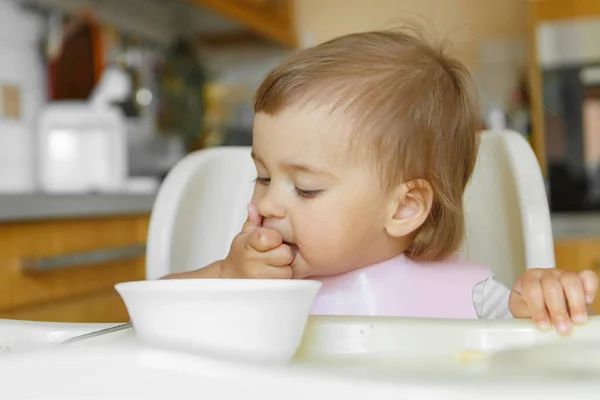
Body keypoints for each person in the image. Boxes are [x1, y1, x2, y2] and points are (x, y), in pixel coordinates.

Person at [165, 29, 598, 335]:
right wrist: (228, 278)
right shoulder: (258, 286)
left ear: (404, 207)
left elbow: (533, 363)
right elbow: (147, 313)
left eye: (306, 188)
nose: (270, 204)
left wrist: (543, 303)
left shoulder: (469, 299)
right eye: (262, 176)